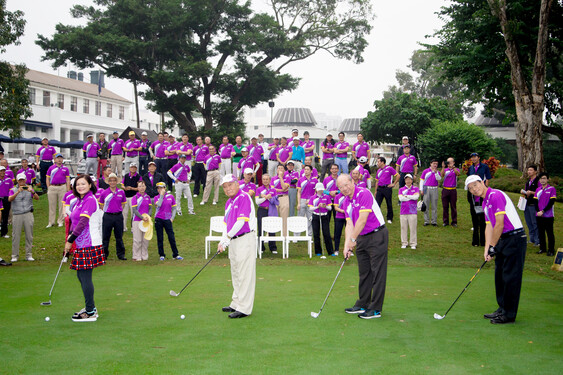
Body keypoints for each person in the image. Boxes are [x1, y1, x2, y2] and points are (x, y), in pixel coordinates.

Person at [465, 175, 526, 324]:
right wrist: (487, 249)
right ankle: (502, 308)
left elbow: (499, 224)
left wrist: (493, 246)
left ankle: (509, 314)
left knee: (510, 277)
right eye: (471, 188)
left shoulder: (495, 195)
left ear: (482, 182)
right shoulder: (485, 202)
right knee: (500, 276)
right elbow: (489, 226)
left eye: (475, 185)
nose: (474, 189)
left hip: (514, 238)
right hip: (503, 239)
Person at [337, 174, 388, 320]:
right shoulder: (346, 202)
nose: (345, 189)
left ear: (352, 182)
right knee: (364, 272)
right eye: (341, 187)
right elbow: (350, 224)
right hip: (362, 237)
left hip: (377, 235)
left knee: (378, 272)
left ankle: (376, 308)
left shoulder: (364, 193)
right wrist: (347, 245)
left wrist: (353, 239)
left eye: (346, 184)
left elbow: (362, 219)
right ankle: (363, 303)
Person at [64, 174, 105, 322]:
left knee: (85, 276)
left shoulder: (89, 200)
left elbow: (82, 223)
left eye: (83, 184)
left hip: (90, 243)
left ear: (90, 185)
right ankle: (90, 307)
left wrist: (70, 240)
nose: (80, 186)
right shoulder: (78, 201)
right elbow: (73, 222)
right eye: (77, 184)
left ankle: (90, 311)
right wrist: (69, 238)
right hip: (82, 244)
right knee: (81, 275)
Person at [218, 174, 257, 319]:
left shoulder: (244, 197)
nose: (228, 188)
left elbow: (241, 222)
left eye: (230, 185)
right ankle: (236, 302)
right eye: (225, 187)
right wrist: (223, 240)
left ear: (237, 184)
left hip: (245, 239)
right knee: (235, 271)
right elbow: (226, 224)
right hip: (233, 240)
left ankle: (244, 308)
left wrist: (227, 238)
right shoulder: (228, 202)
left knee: (244, 273)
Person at [9, 173, 39, 262]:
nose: (21, 182)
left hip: (28, 213)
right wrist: (17, 192)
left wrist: (32, 191)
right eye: (20, 180)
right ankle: (14, 255)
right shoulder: (13, 189)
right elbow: (9, 199)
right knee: (15, 235)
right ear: (17, 181)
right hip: (17, 214)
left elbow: (37, 198)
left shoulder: (29, 189)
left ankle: (29, 254)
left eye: (23, 180)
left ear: (25, 180)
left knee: (29, 235)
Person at [99, 173, 127, 260]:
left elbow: (123, 204)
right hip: (107, 216)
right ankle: (104, 254)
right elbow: (101, 205)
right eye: (110, 181)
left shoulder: (121, 192)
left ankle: (121, 254)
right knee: (106, 237)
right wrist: (108, 211)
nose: (112, 182)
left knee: (119, 236)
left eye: (114, 180)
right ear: (108, 182)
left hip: (118, 216)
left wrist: (117, 210)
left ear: (116, 182)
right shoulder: (104, 193)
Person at [154, 182, 183, 260]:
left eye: (161, 188)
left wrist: (172, 218)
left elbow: (174, 208)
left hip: (167, 219)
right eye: (158, 188)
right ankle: (161, 255)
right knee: (160, 237)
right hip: (159, 218)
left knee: (171, 237)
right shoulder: (156, 197)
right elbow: (159, 205)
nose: (159, 189)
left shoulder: (171, 196)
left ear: (165, 188)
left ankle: (175, 254)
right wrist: (161, 196)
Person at [467, 153, 492, 246]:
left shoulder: (484, 167)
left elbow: (487, 179)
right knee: (474, 217)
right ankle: (475, 240)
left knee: (482, 218)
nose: (473, 159)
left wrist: (484, 191)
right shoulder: (470, 168)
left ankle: (483, 240)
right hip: (472, 194)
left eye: (475, 157)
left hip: (481, 193)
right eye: (472, 157)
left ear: (479, 158)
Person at [309, 182, 334, 258]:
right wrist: (317, 207)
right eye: (319, 190)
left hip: (324, 216)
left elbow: (330, 208)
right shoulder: (313, 198)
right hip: (316, 216)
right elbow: (310, 208)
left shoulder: (326, 197)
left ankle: (330, 251)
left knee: (326, 233)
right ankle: (318, 251)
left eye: (321, 190)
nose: (320, 191)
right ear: (316, 189)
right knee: (316, 234)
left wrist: (325, 206)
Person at [255, 174, 279, 254]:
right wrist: (264, 197)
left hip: (271, 210)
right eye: (264, 179)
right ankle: (261, 247)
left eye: (267, 179)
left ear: (269, 180)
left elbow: (276, 202)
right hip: (262, 210)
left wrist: (270, 197)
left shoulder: (273, 190)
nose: (265, 180)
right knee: (260, 228)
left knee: (272, 228)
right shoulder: (259, 189)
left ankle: (273, 247)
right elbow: (257, 202)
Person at [46, 153, 70, 228]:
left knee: (61, 205)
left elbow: (68, 179)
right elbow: (47, 178)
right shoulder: (51, 168)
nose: (59, 160)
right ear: (55, 159)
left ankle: (60, 221)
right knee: (52, 205)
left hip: (62, 187)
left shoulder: (65, 168)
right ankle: (51, 222)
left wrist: (68, 188)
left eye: (61, 158)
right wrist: (48, 187)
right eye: (58, 158)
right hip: (52, 187)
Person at [534, 172, 556, 256]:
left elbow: (552, 202)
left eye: (544, 178)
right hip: (539, 215)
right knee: (541, 232)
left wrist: (543, 211)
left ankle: (551, 250)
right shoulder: (538, 189)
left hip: (548, 215)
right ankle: (542, 248)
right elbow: (535, 201)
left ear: (547, 179)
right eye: (541, 179)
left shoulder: (551, 189)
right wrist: (538, 211)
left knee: (549, 233)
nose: (542, 180)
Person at [131, 180, 152, 261]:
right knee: (138, 240)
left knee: (145, 239)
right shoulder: (135, 198)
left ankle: (144, 255)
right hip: (137, 220)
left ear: (145, 187)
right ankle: (136, 256)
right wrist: (142, 217)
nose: (141, 188)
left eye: (143, 186)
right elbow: (135, 210)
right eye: (140, 186)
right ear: (137, 188)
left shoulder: (148, 197)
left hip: (146, 221)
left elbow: (150, 208)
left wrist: (148, 216)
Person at [374, 157, 399, 224]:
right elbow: (377, 181)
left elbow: (397, 175)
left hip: (387, 188)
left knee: (389, 203)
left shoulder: (389, 168)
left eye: (378, 162)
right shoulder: (378, 171)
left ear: (382, 162)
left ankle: (389, 218)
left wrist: (393, 184)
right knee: (377, 204)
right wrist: (376, 191)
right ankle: (376, 217)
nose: (377, 163)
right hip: (380, 188)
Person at [398, 174, 419, 249]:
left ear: (412, 180)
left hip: (412, 211)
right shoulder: (401, 189)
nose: (408, 181)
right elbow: (401, 199)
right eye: (406, 179)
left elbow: (416, 197)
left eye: (409, 179)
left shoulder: (415, 189)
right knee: (403, 227)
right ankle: (404, 242)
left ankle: (413, 243)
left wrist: (407, 196)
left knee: (413, 228)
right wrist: (411, 197)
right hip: (403, 211)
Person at [521, 165, 540, 246]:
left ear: (535, 171)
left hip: (534, 204)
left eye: (531, 170)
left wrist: (531, 192)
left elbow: (540, 192)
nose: (529, 172)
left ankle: (537, 240)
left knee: (534, 222)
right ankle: (531, 239)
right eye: (528, 170)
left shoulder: (538, 181)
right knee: (529, 222)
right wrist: (524, 192)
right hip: (527, 204)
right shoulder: (528, 181)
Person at [297, 165, 318, 237]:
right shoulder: (301, 180)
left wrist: (311, 200)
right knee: (300, 218)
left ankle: (309, 235)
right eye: (305, 169)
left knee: (310, 218)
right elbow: (299, 192)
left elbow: (316, 192)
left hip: (311, 201)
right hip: (302, 200)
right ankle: (296, 236)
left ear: (311, 171)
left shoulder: (315, 180)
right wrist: (299, 203)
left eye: (307, 169)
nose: (306, 171)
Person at [419, 160, 441, 227]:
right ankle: (426, 221)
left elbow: (439, 179)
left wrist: (436, 172)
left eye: (436, 164)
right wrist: (421, 189)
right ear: (430, 164)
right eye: (434, 163)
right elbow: (421, 180)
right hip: (426, 188)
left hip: (434, 188)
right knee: (426, 205)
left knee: (434, 205)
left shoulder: (437, 172)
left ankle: (434, 221)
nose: (435, 165)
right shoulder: (425, 171)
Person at [441, 157, 460, 227]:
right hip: (445, 189)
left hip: (453, 189)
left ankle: (454, 221)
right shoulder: (446, 170)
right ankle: (445, 221)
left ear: (453, 162)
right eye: (448, 162)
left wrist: (453, 167)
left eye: (450, 162)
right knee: (445, 206)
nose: (449, 164)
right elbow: (442, 175)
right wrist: (443, 167)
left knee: (453, 206)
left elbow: (457, 174)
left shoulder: (456, 169)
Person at [122, 163, 141, 231]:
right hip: (125, 196)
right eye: (132, 167)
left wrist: (131, 188)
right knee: (124, 212)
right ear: (130, 168)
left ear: (136, 168)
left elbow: (139, 188)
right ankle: (124, 227)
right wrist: (125, 188)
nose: (133, 169)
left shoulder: (138, 177)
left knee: (133, 213)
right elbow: (122, 185)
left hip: (133, 197)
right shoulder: (126, 176)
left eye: (134, 167)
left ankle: (133, 227)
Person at [272, 164, 290, 233]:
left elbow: (284, 187)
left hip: (284, 197)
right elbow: (273, 189)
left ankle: (284, 235)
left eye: (281, 168)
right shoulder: (273, 178)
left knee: (284, 217)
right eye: (278, 168)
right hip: (275, 198)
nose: (280, 170)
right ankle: (270, 234)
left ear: (284, 170)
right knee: (273, 217)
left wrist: (281, 178)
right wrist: (282, 190)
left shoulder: (287, 178)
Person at [332, 190, 347, 257]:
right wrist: (343, 211)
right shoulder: (337, 196)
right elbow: (336, 207)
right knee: (337, 234)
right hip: (339, 217)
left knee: (349, 234)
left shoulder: (349, 196)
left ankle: (349, 249)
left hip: (348, 218)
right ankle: (336, 250)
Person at [0, 166, 13, 238]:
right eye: (1, 171)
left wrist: (9, 198)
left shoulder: (9, 180)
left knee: (5, 216)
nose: (2, 172)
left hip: (6, 199)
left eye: (3, 171)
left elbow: (11, 190)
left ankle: (4, 233)